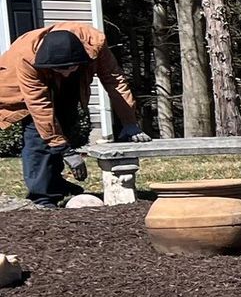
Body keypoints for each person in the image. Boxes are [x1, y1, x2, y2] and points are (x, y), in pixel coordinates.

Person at [0, 21, 149, 207]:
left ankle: (55, 183)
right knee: (38, 135)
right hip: (26, 86)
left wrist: (129, 123)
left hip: (63, 71)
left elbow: (115, 81)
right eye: (59, 70)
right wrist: (65, 150)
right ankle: (42, 197)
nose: (64, 74)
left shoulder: (95, 45)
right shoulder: (26, 58)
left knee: (66, 122)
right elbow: (39, 105)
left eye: (68, 69)